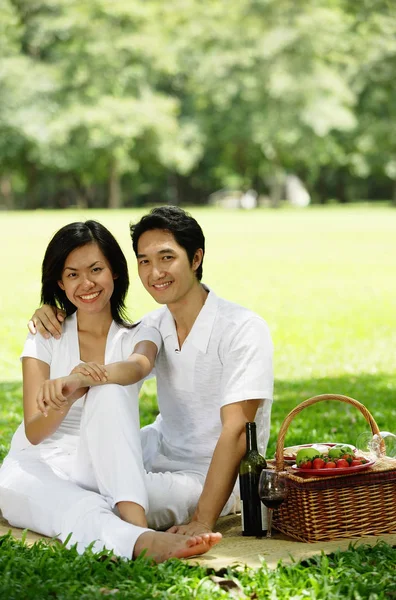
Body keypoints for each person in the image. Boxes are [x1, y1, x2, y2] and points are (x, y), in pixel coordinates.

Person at [28, 206, 274, 536]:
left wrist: (201, 520)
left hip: (205, 474)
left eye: (166, 257)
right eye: (144, 261)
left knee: (103, 494)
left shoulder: (243, 329)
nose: (154, 272)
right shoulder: (154, 324)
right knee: (62, 466)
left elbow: (237, 433)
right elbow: (128, 367)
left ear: (196, 259)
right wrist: (49, 308)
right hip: (155, 449)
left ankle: (132, 535)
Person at [0, 220, 221, 563]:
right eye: (72, 274)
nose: (86, 283)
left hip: (107, 463)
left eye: (96, 269)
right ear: (59, 282)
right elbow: (35, 430)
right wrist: (68, 396)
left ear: (115, 272)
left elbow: (138, 366)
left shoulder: (139, 332)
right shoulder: (45, 334)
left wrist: (84, 379)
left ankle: (129, 521)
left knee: (111, 392)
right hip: (39, 464)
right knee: (75, 505)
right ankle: (141, 538)